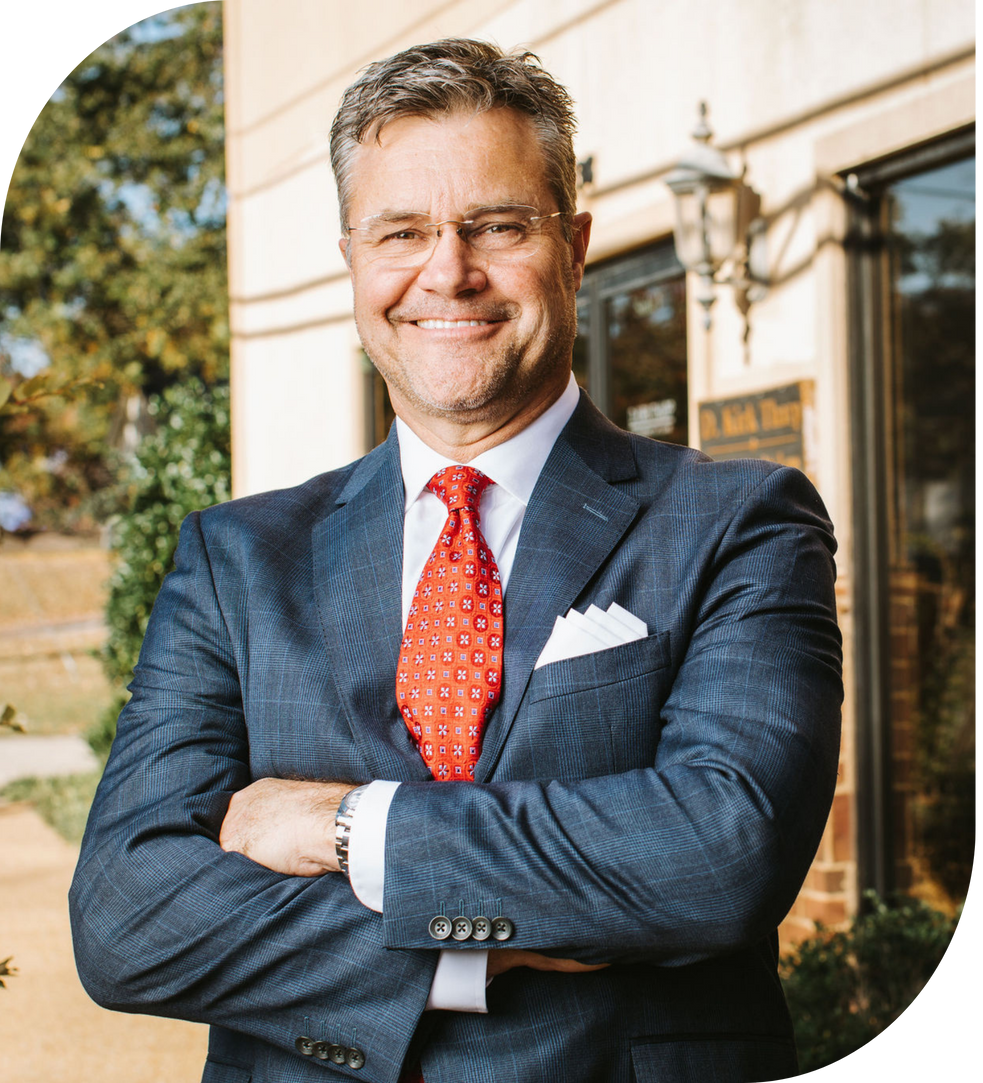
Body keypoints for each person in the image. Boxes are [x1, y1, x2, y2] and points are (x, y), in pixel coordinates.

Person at [70, 39, 842, 1083]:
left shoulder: (737, 521)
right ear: (352, 259)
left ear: (572, 247)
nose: (447, 270)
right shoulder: (234, 561)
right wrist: (474, 953)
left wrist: (348, 826)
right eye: (401, 232)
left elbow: (719, 851)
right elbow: (129, 916)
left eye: (495, 225)